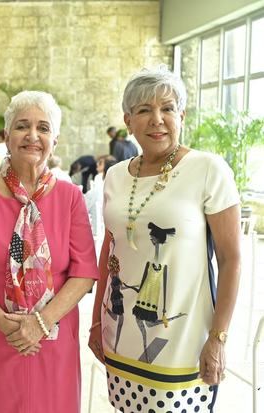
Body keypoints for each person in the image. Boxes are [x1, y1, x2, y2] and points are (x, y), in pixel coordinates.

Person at [88, 67, 241, 412]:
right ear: (128, 120)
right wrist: (98, 319)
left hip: (184, 340)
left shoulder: (208, 170)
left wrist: (217, 339)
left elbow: (231, 260)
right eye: (144, 110)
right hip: (123, 329)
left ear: (181, 116)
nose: (157, 119)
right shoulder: (115, 176)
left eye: (168, 108)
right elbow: (109, 252)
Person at [0, 90, 99, 412]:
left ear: (55, 140)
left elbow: (84, 271)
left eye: (43, 128)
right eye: (22, 126)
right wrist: (7, 324)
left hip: (54, 335)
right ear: (6, 136)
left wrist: (41, 322)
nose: (32, 136)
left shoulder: (70, 197)